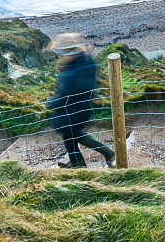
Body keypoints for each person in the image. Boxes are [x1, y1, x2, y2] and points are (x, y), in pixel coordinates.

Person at [46, 32, 116, 168]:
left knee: (70, 142)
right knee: (75, 135)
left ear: (69, 52)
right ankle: (107, 152)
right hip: (83, 108)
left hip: (71, 112)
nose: (59, 56)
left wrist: (51, 103)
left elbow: (66, 94)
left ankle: (81, 170)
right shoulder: (86, 61)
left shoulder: (72, 71)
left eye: (61, 53)